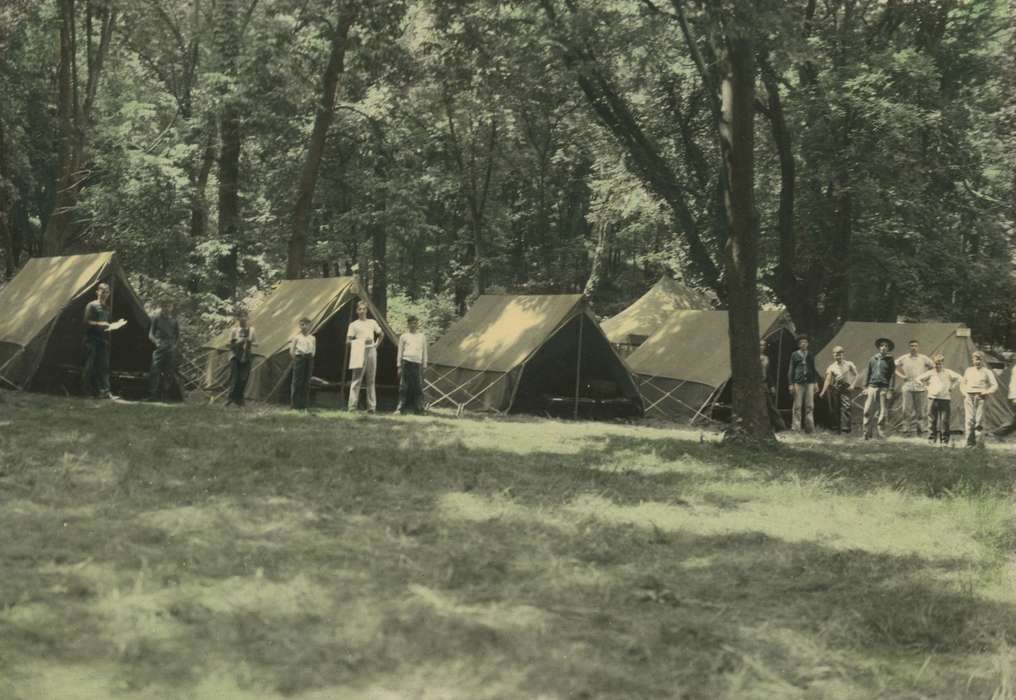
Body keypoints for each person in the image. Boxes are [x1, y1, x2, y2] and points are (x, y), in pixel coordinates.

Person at [82, 282, 126, 399]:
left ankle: (105, 392)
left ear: (109, 293)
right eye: (102, 291)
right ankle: (87, 392)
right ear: (97, 292)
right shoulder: (91, 305)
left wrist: (115, 325)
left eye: (106, 292)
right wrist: (100, 323)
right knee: (90, 366)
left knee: (104, 367)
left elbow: (108, 324)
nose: (104, 294)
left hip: (103, 340)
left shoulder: (107, 308)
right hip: (91, 340)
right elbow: (86, 322)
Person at [916, 354, 962, 445]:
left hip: (945, 399)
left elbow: (960, 378)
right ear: (934, 363)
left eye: (940, 363)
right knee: (932, 420)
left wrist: (952, 387)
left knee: (945, 421)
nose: (938, 365)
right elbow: (918, 379)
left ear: (943, 363)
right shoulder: (931, 372)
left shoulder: (948, 372)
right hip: (932, 398)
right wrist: (926, 387)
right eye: (936, 363)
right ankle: (932, 439)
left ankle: (945, 440)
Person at [347, 301, 382, 413]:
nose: (362, 311)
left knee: (371, 379)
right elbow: (348, 341)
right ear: (357, 311)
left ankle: (371, 407)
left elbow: (381, 334)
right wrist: (360, 341)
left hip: (371, 350)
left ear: (367, 310)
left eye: (364, 309)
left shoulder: (372, 322)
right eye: (360, 309)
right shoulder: (353, 324)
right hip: (359, 350)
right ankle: (352, 407)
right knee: (357, 379)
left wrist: (376, 344)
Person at [894, 340, 934, 435]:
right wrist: (902, 376)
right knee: (906, 409)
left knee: (921, 410)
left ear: (918, 347)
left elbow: (933, 367)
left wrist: (927, 378)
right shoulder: (904, 358)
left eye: (915, 346)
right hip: (908, 386)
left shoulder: (924, 358)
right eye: (911, 346)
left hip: (920, 386)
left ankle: (921, 428)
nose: (913, 348)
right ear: (909, 347)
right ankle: (905, 427)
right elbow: (892, 366)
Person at [960, 351, 998, 447]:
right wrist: (964, 393)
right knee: (969, 420)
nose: (978, 361)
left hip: (980, 397)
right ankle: (968, 443)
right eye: (975, 359)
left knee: (979, 420)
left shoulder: (987, 371)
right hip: (969, 397)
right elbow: (962, 384)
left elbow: (994, 385)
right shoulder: (969, 370)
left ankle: (979, 444)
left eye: (980, 359)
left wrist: (986, 392)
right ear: (972, 360)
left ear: (983, 360)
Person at [861, 338, 896, 440]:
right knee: (867, 411)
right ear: (878, 347)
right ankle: (866, 434)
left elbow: (892, 376)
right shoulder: (872, 359)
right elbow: (867, 373)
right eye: (882, 345)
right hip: (872, 387)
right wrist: (865, 387)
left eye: (886, 346)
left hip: (883, 388)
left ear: (888, 348)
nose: (883, 348)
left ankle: (880, 434)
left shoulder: (890, 360)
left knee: (882, 412)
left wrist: (890, 390)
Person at [146, 298, 179, 401]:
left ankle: (165, 396)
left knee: (168, 372)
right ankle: (153, 395)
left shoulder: (174, 321)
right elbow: (150, 334)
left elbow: (177, 337)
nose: (167, 308)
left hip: (170, 348)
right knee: (154, 370)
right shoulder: (156, 319)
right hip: (160, 347)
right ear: (161, 307)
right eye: (165, 306)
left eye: (169, 306)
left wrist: (174, 346)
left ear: (172, 308)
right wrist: (156, 342)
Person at [819, 345, 857, 434]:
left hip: (846, 387)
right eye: (836, 354)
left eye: (840, 354)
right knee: (835, 408)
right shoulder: (831, 367)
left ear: (843, 354)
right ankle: (836, 428)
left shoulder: (849, 364)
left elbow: (856, 375)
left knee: (846, 407)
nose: (838, 356)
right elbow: (828, 380)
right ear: (833, 355)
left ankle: (846, 429)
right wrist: (823, 392)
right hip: (835, 388)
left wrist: (852, 385)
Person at [396, 315, 428, 415]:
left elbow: (424, 352)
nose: (413, 325)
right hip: (406, 362)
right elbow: (400, 351)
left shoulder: (422, 337)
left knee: (418, 387)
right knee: (403, 386)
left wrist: (425, 364)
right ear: (408, 324)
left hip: (417, 364)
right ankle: (400, 408)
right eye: (411, 323)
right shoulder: (404, 336)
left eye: (415, 323)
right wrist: (399, 365)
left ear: (417, 324)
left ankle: (419, 408)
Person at [787, 334, 819, 433]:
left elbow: (813, 369)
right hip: (798, 383)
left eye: (805, 342)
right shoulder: (794, 355)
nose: (803, 344)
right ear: (798, 345)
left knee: (809, 406)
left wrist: (815, 383)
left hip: (809, 383)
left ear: (807, 344)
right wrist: (791, 384)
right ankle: (796, 428)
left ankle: (809, 428)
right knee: (797, 406)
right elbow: (791, 370)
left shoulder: (810, 355)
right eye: (801, 343)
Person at [226, 309, 255, 407]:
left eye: (245, 316)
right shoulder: (234, 330)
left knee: (244, 378)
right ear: (238, 318)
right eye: (241, 317)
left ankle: (239, 399)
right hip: (235, 355)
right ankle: (231, 398)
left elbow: (253, 341)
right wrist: (239, 341)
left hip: (246, 355)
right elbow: (229, 344)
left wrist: (251, 342)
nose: (243, 319)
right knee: (235, 378)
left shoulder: (251, 329)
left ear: (247, 318)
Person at [290, 317, 316, 410]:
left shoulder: (312, 338)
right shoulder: (296, 337)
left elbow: (313, 350)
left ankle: (304, 405)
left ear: (309, 326)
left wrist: (311, 356)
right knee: (297, 382)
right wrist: (296, 359)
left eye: (305, 324)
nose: (303, 327)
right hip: (299, 358)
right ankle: (294, 404)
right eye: (301, 325)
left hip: (309, 359)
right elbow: (292, 351)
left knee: (306, 382)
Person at [759, 339, 784, 431]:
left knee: (770, 405)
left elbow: (768, 373)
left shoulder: (766, 358)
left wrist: (772, 385)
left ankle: (780, 426)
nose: (762, 347)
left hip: (764, 383)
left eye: (763, 345)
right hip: (756, 385)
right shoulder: (752, 357)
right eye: (760, 345)